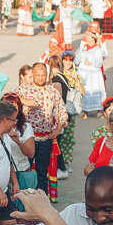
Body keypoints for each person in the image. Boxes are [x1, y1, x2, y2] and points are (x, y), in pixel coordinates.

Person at [18, 62, 68, 197]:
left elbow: (62, 111)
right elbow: (8, 99)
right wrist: (23, 100)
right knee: (25, 169)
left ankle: (42, 200)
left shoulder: (52, 91)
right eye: (37, 75)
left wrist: (58, 128)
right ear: (33, 75)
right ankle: (24, 198)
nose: (40, 78)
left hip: (46, 139)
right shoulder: (23, 89)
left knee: (42, 171)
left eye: (43, 75)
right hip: (28, 138)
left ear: (47, 75)